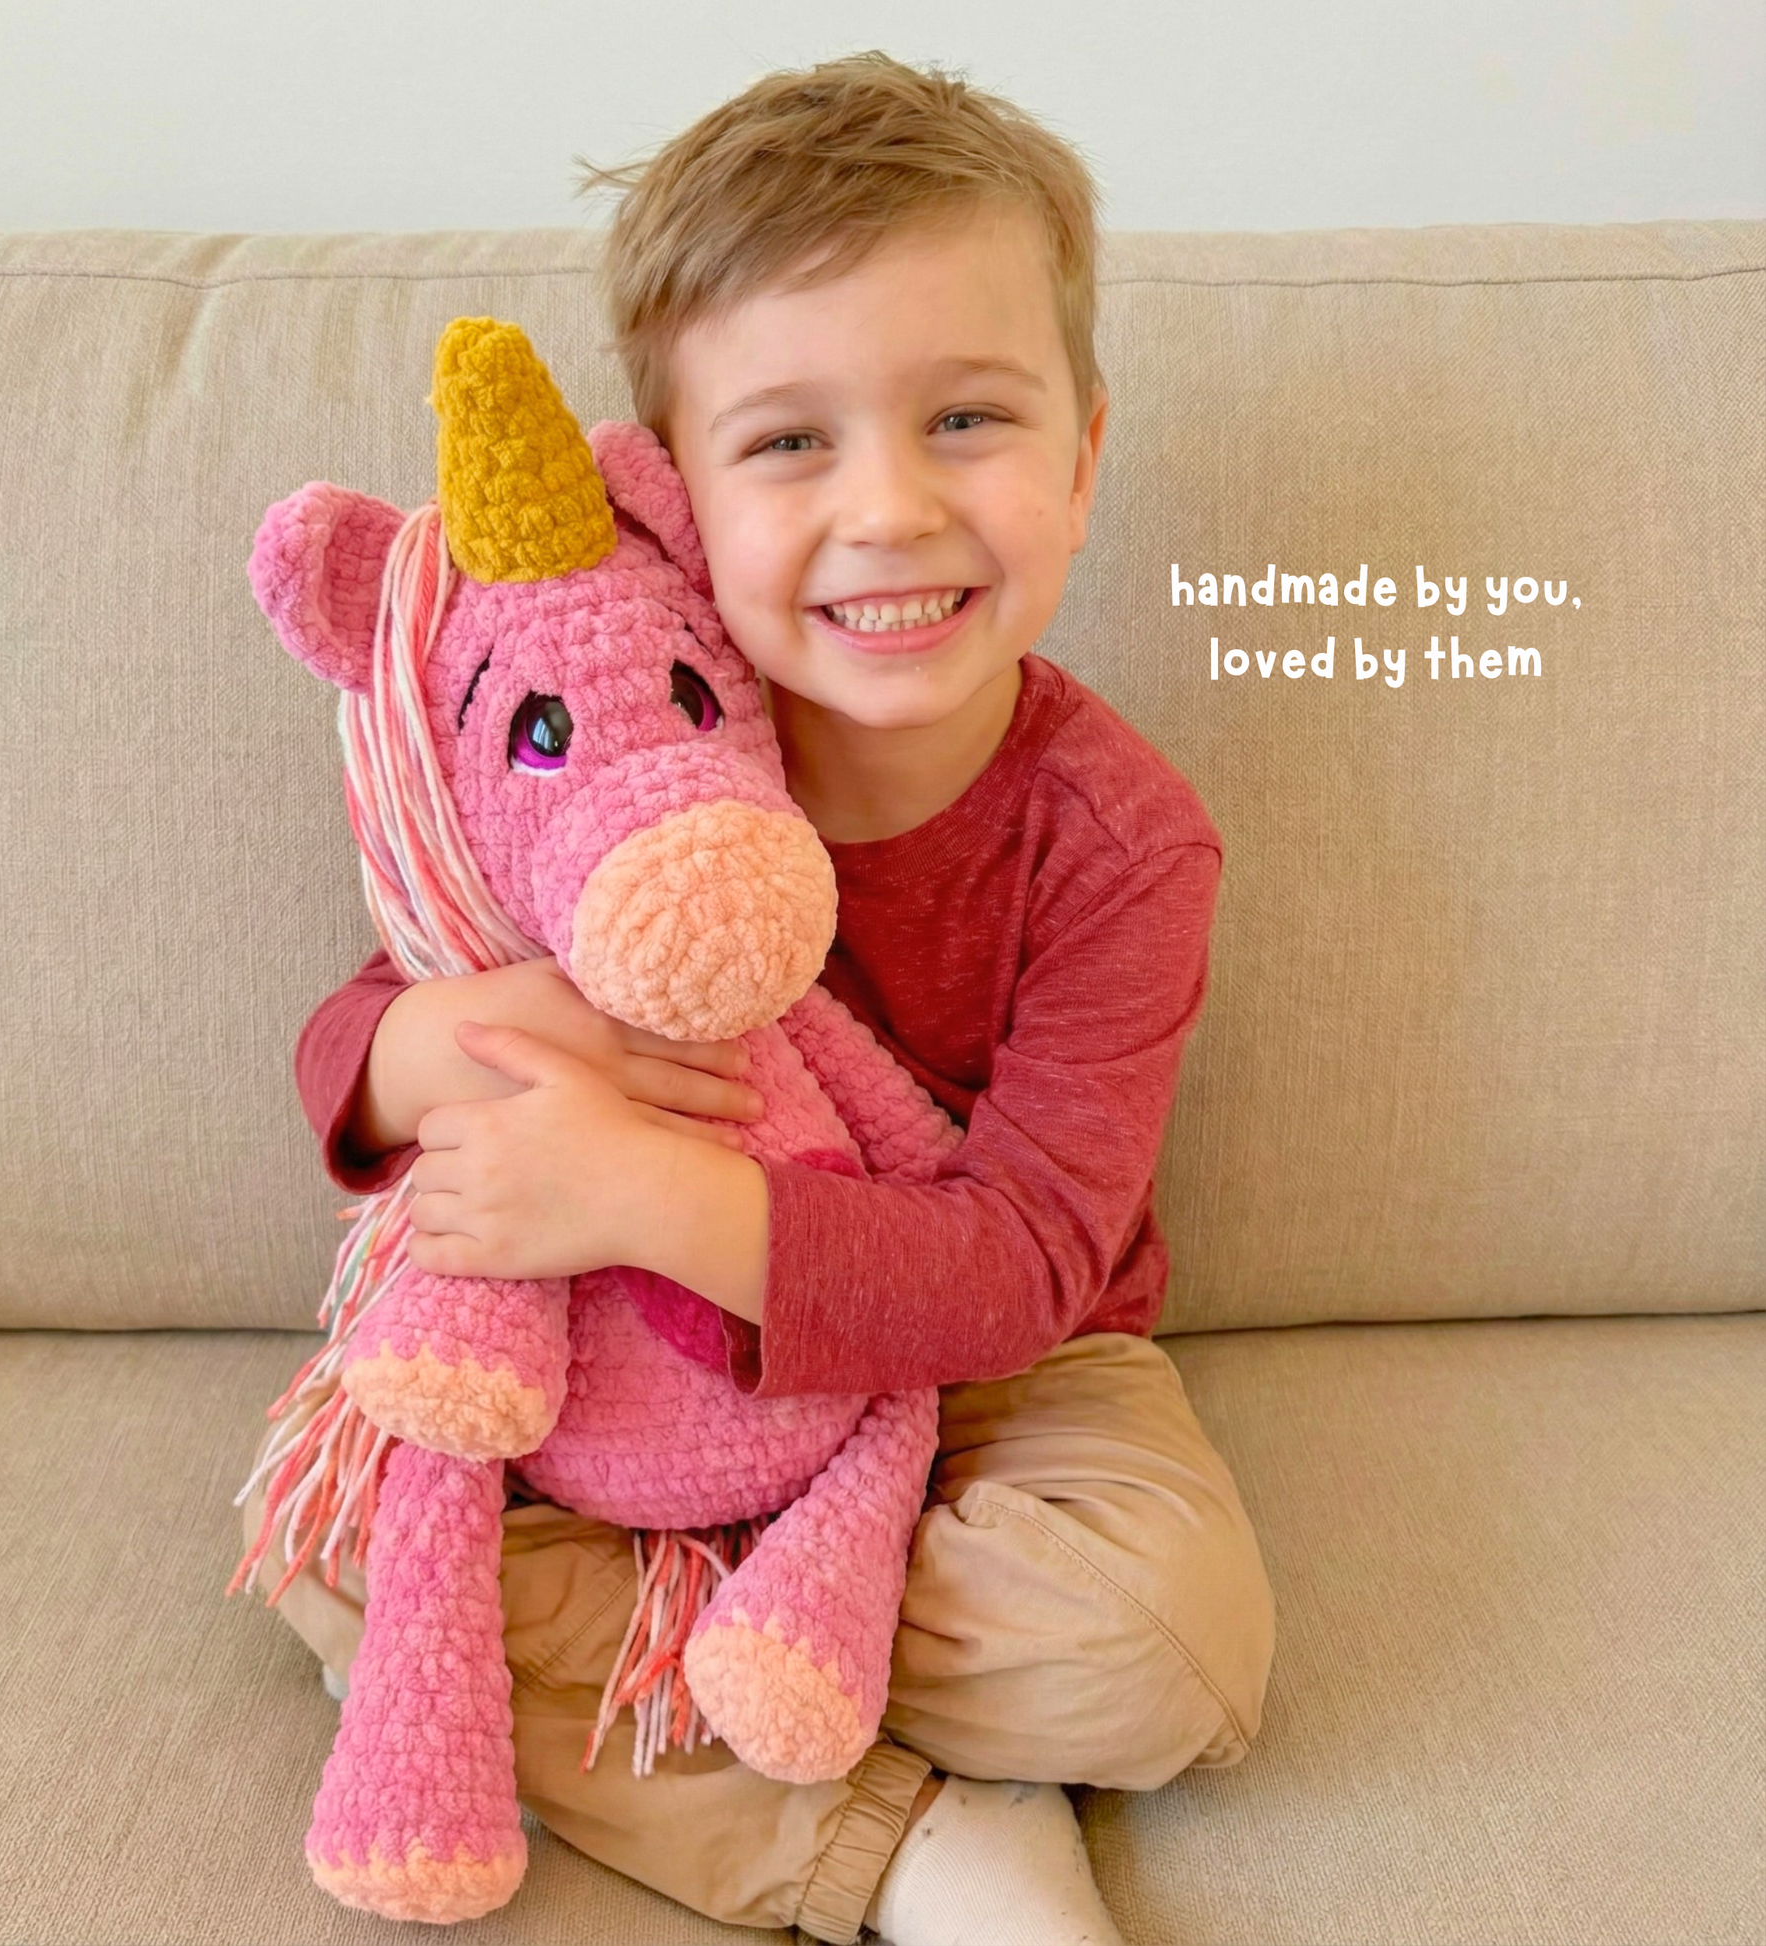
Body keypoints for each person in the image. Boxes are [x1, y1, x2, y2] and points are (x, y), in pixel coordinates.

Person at [239, 50, 1275, 1946]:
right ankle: (900, 1834)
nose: (885, 509)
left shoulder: (1122, 841)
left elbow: (1033, 1258)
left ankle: (683, 1667)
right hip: (627, 1371)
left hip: (989, 1383)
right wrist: (425, 1051)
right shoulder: (637, 724)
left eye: (964, 417)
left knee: (1160, 1647)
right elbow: (375, 1003)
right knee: (321, 1534)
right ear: (668, 497)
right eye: (789, 442)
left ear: (1081, 454)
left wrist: (641, 1192)